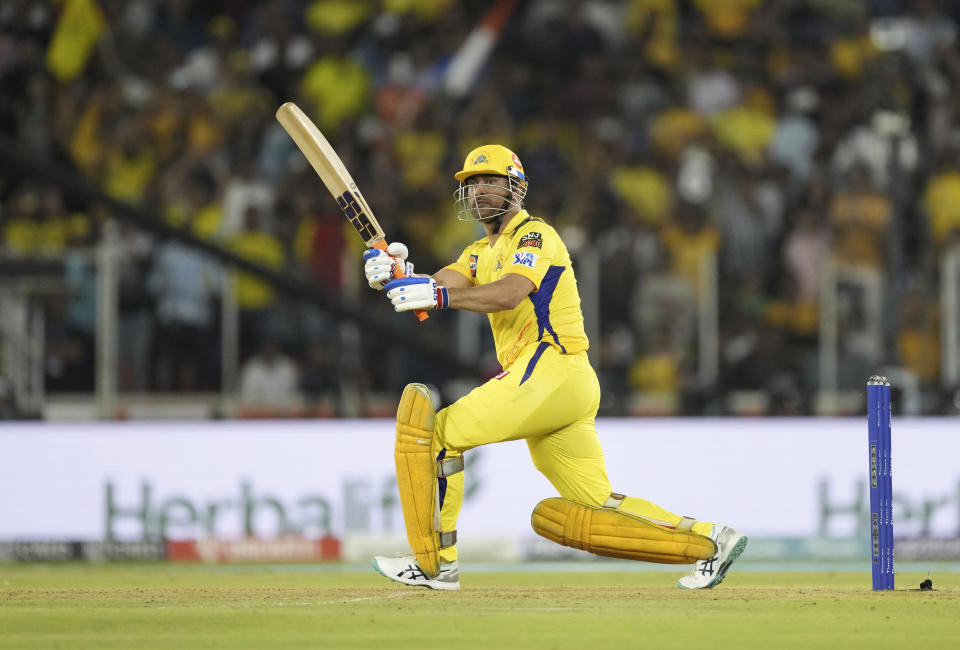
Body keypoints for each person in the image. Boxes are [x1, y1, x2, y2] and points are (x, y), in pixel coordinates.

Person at [362, 145, 746, 590]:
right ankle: (713, 539)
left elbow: (509, 292)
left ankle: (436, 563)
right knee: (597, 503)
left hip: (550, 368)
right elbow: (441, 284)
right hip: (565, 384)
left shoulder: (535, 236)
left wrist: (436, 294)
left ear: (516, 188)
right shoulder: (477, 252)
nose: (480, 190)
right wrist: (397, 275)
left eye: (491, 180)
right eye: (472, 183)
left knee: (442, 434)